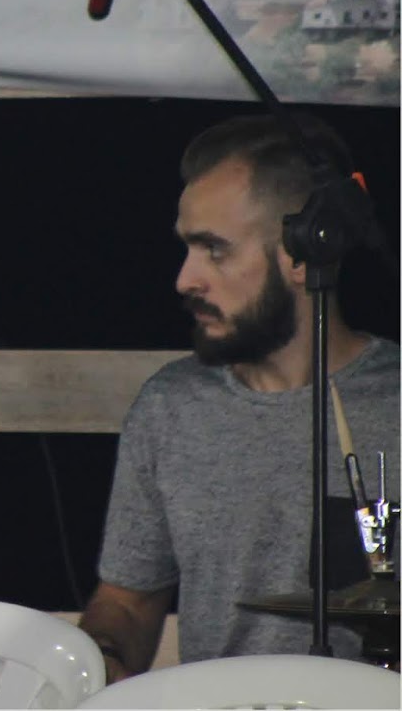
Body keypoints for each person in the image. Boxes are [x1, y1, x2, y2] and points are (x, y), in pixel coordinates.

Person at [80, 114, 399, 680]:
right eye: (187, 248)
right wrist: (102, 658)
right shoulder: (171, 407)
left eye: (214, 250)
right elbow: (127, 602)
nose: (185, 279)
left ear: (304, 255)